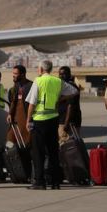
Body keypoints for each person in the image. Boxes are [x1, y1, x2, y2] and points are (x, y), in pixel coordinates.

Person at [26, 60, 78, 190]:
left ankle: (39, 181)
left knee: (38, 152)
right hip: (53, 119)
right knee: (53, 151)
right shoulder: (57, 81)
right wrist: (60, 99)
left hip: (39, 119)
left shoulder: (38, 81)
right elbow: (74, 91)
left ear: (41, 69)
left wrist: (28, 120)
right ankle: (55, 182)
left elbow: (32, 103)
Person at [5, 65, 33, 147]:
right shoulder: (17, 85)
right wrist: (10, 113)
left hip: (25, 120)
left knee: (25, 142)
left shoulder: (31, 86)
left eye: (15, 73)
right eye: (13, 73)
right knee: (10, 140)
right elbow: (13, 101)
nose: (13, 75)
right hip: (15, 120)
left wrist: (30, 120)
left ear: (22, 74)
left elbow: (33, 104)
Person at [57, 66, 82, 143]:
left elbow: (70, 106)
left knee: (66, 144)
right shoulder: (63, 87)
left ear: (69, 75)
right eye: (60, 74)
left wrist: (66, 124)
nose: (61, 76)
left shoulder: (71, 87)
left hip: (68, 122)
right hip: (63, 120)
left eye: (64, 74)